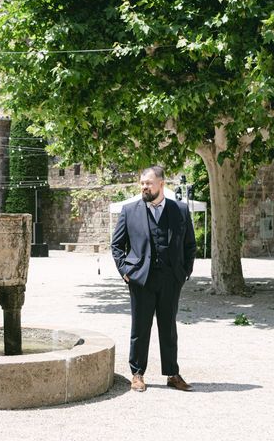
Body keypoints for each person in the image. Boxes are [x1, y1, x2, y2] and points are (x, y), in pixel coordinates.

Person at [111, 166, 196, 392]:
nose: (144, 187)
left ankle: (172, 374)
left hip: (171, 279)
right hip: (141, 279)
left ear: (161, 184)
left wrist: (185, 271)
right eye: (142, 183)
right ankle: (137, 374)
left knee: (168, 327)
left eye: (148, 183)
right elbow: (117, 245)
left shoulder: (180, 210)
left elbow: (190, 244)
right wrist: (126, 272)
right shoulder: (129, 211)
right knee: (140, 328)